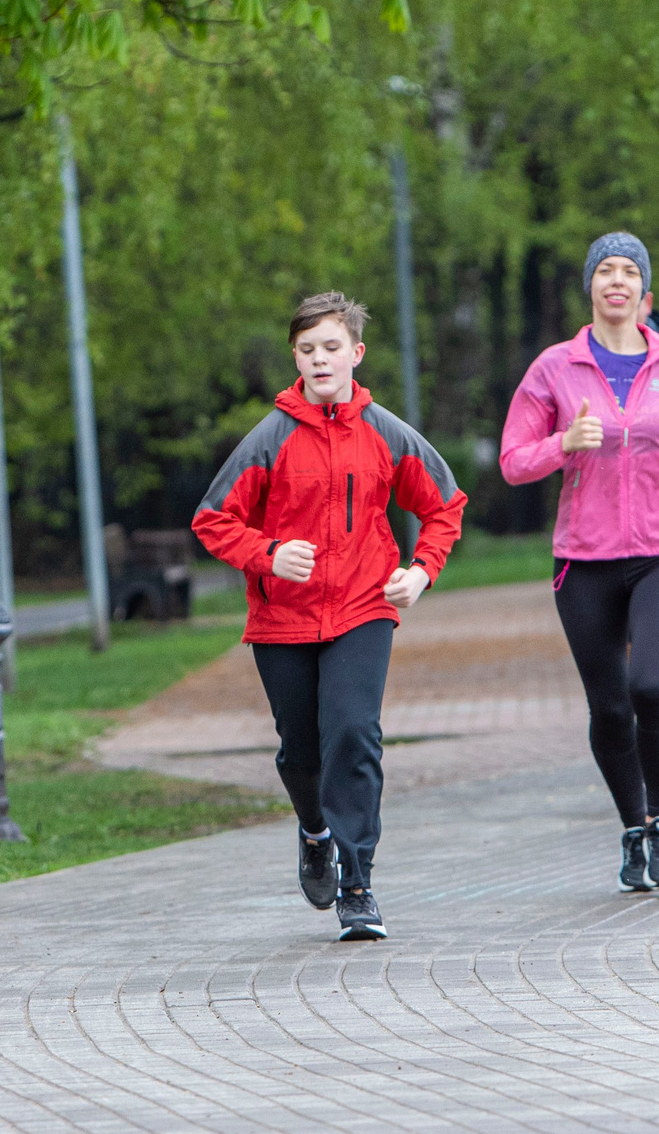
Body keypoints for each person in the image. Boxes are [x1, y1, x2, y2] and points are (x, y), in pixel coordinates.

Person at [192, 292, 467, 941]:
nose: (320, 359)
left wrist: (422, 571)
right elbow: (213, 520)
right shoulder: (270, 437)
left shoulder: (386, 432)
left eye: (331, 347)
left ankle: (357, 880)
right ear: (296, 357)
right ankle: (315, 830)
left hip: (364, 604)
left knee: (353, 732)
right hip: (282, 619)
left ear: (355, 354)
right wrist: (266, 554)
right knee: (302, 749)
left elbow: (445, 503)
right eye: (308, 349)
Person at [500, 234, 659, 891]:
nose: (615, 281)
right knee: (611, 705)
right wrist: (564, 442)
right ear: (590, 286)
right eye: (604, 271)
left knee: (652, 683)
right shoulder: (554, 369)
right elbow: (513, 460)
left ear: (643, 290)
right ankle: (631, 827)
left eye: (628, 271)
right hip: (583, 559)